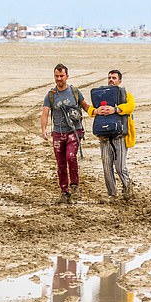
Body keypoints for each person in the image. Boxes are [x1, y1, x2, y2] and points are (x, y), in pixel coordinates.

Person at [41, 63, 89, 203]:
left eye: (61, 76)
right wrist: (44, 130)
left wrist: (97, 113)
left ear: (67, 76)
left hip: (74, 131)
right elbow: (45, 113)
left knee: (71, 156)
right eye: (57, 76)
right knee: (61, 164)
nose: (59, 79)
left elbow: (85, 106)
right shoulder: (50, 95)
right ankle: (64, 191)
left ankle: (74, 184)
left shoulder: (74, 91)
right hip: (58, 133)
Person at [88, 70, 136, 201]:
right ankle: (112, 194)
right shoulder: (101, 94)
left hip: (120, 136)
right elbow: (91, 109)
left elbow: (131, 106)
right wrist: (96, 110)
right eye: (109, 77)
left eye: (114, 78)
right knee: (107, 167)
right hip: (104, 136)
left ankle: (127, 187)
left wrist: (115, 109)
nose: (111, 80)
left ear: (120, 81)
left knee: (120, 167)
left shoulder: (126, 95)